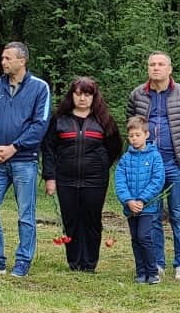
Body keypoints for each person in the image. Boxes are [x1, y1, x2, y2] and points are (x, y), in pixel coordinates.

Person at [0, 42, 52, 277]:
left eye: (8, 58)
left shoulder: (40, 88)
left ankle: (23, 260)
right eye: (2, 58)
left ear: (22, 60)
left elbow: (40, 125)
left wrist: (14, 147)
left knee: (25, 213)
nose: (3, 62)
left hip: (24, 160)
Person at [127, 52, 180, 280]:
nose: (156, 68)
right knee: (153, 215)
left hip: (173, 163)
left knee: (178, 214)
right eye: (152, 64)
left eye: (161, 64)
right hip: (148, 165)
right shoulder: (137, 95)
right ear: (147, 68)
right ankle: (157, 262)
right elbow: (131, 124)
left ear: (170, 69)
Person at [43, 76, 122, 272]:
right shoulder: (59, 119)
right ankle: (74, 262)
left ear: (94, 97)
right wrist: (50, 177)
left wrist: (100, 165)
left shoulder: (104, 121)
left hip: (95, 181)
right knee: (71, 220)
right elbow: (49, 149)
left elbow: (114, 148)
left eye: (87, 94)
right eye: (78, 94)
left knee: (91, 221)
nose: (82, 98)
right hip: (65, 180)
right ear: (72, 95)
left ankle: (89, 263)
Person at [113, 115, 168, 283]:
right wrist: (128, 200)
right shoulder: (125, 159)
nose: (134, 139)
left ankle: (153, 271)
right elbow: (120, 181)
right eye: (131, 136)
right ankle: (141, 272)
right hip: (130, 207)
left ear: (146, 135)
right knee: (135, 239)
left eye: (138, 135)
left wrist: (143, 199)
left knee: (144, 237)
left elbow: (158, 180)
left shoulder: (155, 156)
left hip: (148, 207)